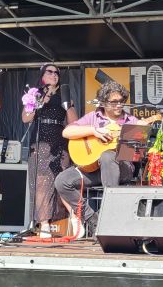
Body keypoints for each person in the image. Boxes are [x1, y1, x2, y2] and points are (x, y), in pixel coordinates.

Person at [54, 80, 145, 237]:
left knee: (108, 155)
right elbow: (67, 132)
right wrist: (94, 131)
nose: (119, 105)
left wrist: (138, 134)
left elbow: (137, 156)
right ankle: (93, 219)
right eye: (114, 102)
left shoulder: (131, 121)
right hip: (94, 168)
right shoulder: (94, 117)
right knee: (62, 181)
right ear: (103, 102)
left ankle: (110, 216)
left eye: (122, 101)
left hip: (121, 168)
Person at [22, 63, 78, 237]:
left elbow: (73, 122)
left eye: (57, 73)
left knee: (60, 180)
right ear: (42, 75)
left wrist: (67, 105)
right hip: (41, 141)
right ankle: (44, 223)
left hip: (59, 140)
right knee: (41, 183)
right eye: (50, 72)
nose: (54, 75)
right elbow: (26, 118)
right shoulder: (35, 94)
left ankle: (63, 222)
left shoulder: (64, 94)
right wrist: (39, 102)